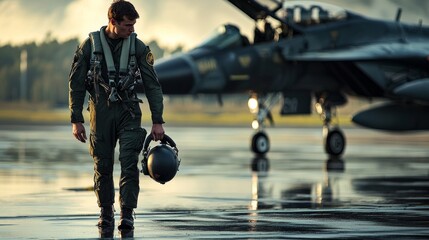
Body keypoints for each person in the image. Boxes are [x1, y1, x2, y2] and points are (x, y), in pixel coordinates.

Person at [68, 0, 165, 231]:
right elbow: (76, 83)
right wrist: (76, 119)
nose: (131, 30)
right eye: (127, 25)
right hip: (99, 113)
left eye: (133, 25)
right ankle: (105, 212)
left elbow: (153, 85)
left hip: (129, 111)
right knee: (102, 165)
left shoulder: (139, 48)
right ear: (113, 22)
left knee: (129, 163)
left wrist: (157, 120)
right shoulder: (89, 47)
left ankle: (127, 214)